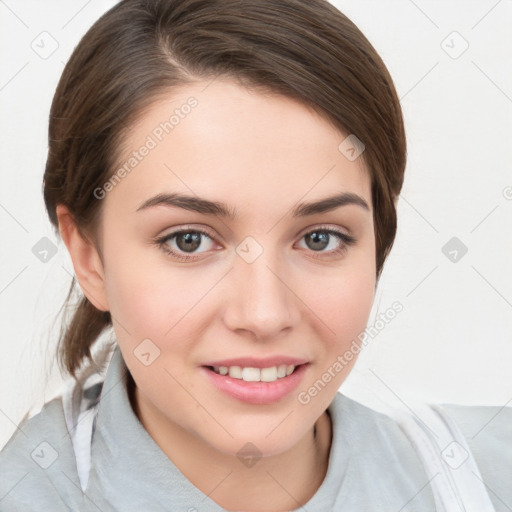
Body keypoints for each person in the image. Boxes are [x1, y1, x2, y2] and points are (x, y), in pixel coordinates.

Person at [0, 0, 510, 511]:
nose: (264, 314)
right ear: (89, 257)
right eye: (189, 240)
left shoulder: (486, 475)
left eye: (320, 238)